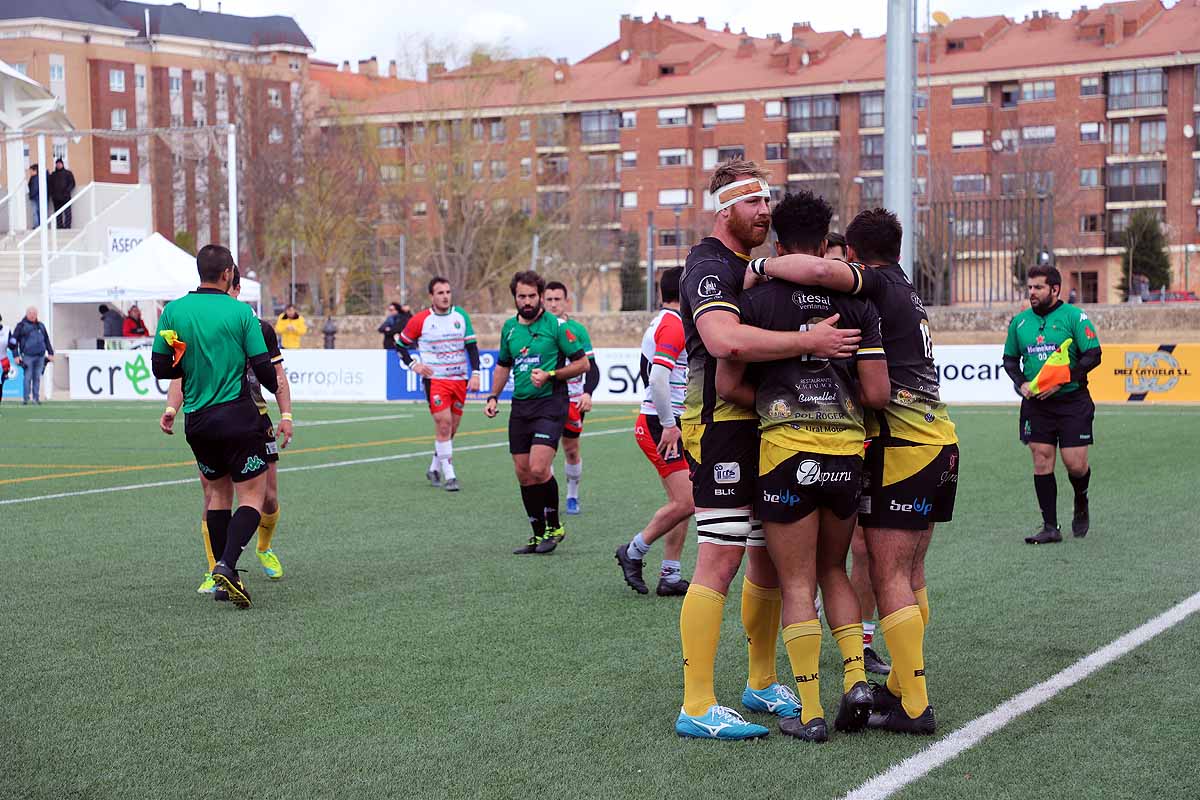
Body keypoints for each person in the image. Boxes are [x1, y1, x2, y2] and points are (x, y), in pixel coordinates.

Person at [753, 207, 960, 736]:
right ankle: (896, 686)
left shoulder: (872, 288)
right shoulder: (907, 290)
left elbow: (822, 275)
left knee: (884, 574)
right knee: (900, 572)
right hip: (938, 443)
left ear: (856, 256)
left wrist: (760, 268)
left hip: (901, 444)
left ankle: (912, 703)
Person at [673, 159, 861, 741]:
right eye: (753, 202)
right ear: (724, 209)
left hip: (761, 425)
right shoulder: (706, 264)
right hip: (721, 425)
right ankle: (698, 704)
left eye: (767, 202)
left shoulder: (749, 266)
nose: (765, 212)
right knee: (720, 556)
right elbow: (724, 340)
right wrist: (807, 340)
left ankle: (760, 681)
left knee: (768, 558)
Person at [715, 191, 890, 742]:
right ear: (823, 241)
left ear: (775, 240)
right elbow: (876, 391)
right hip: (844, 453)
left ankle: (811, 711)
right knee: (833, 570)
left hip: (787, 453)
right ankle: (857, 681)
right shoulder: (859, 305)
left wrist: (776, 401)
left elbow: (725, 385)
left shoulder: (757, 301)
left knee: (795, 583)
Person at [151, 244, 280, 609]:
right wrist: (276, 385)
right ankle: (227, 563)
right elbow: (265, 370)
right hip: (239, 417)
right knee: (252, 497)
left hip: (199, 422)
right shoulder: (241, 313)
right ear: (228, 274)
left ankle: (227, 580)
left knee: (218, 496)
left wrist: (189, 365)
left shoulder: (173, 311)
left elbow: (162, 368)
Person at [484, 270, 590, 555]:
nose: (527, 301)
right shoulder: (508, 329)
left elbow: (583, 365)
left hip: (550, 403)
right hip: (520, 406)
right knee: (522, 473)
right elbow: (504, 365)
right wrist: (493, 395)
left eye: (532, 296)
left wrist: (552, 374)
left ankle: (555, 526)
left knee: (539, 467)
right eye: (522, 296)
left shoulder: (555, 326)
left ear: (540, 296)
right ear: (515, 298)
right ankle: (537, 534)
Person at [1003, 264, 1102, 544]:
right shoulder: (1019, 323)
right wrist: (1021, 382)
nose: (1032, 292)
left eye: (1038, 287)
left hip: (1072, 401)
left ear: (1055, 289)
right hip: (1037, 405)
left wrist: (1062, 380)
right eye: (1030, 287)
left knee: (1075, 464)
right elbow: (1010, 360)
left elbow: (1093, 355)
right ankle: (1050, 526)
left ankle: (1080, 499)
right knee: (1041, 459)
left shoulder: (1074, 317)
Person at [616, 267, 691, 597]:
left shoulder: (670, 322)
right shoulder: (673, 324)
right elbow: (658, 379)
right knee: (688, 500)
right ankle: (633, 552)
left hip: (672, 421)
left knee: (682, 500)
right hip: (661, 424)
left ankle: (670, 574)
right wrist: (670, 425)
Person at [395, 277, 480, 492]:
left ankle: (434, 467)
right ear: (431, 296)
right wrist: (414, 365)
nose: (445, 296)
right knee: (443, 423)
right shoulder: (420, 320)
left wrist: (476, 373)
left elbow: (471, 347)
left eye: (448, 292)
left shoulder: (461, 316)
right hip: (436, 380)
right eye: (440, 293)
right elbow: (400, 345)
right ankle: (450, 476)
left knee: (451, 429)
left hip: (459, 379)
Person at [542, 281, 599, 515]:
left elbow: (592, 368)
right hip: (545, 401)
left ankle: (573, 496)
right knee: (544, 451)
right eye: (549, 299)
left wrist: (587, 393)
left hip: (573, 400)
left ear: (566, 301)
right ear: (543, 301)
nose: (553, 304)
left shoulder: (577, 330)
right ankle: (548, 499)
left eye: (558, 299)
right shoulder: (538, 330)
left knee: (571, 450)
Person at [11, 306, 54, 405]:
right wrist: (16, 355)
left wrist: (51, 353)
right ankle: (26, 398)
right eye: (31, 313)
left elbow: (46, 340)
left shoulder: (41, 326)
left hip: (40, 356)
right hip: (27, 356)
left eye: (34, 313)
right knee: (27, 377)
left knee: (37, 377)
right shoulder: (21, 326)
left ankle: (36, 398)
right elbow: (13, 341)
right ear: (27, 314)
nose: (33, 315)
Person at [49, 158, 75, 229]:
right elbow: (50, 185)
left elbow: (72, 183)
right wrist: (53, 194)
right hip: (56, 198)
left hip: (66, 197)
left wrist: (67, 191)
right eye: (57, 164)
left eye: (60, 164)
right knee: (58, 214)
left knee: (67, 213)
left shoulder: (68, 173)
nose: (58, 165)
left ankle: (67, 226)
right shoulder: (53, 175)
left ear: (62, 164)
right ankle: (59, 226)